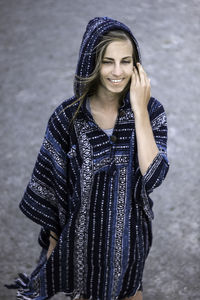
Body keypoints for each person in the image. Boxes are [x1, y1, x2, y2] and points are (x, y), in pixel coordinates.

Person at [7, 17, 169, 300]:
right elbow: (53, 194)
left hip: (130, 244)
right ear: (92, 63)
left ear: (137, 65)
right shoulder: (67, 119)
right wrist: (55, 254)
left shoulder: (152, 112)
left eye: (126, 61)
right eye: (107, 61)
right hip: (81, 250)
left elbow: (154, 175)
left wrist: (140, 110)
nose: (117, 71)